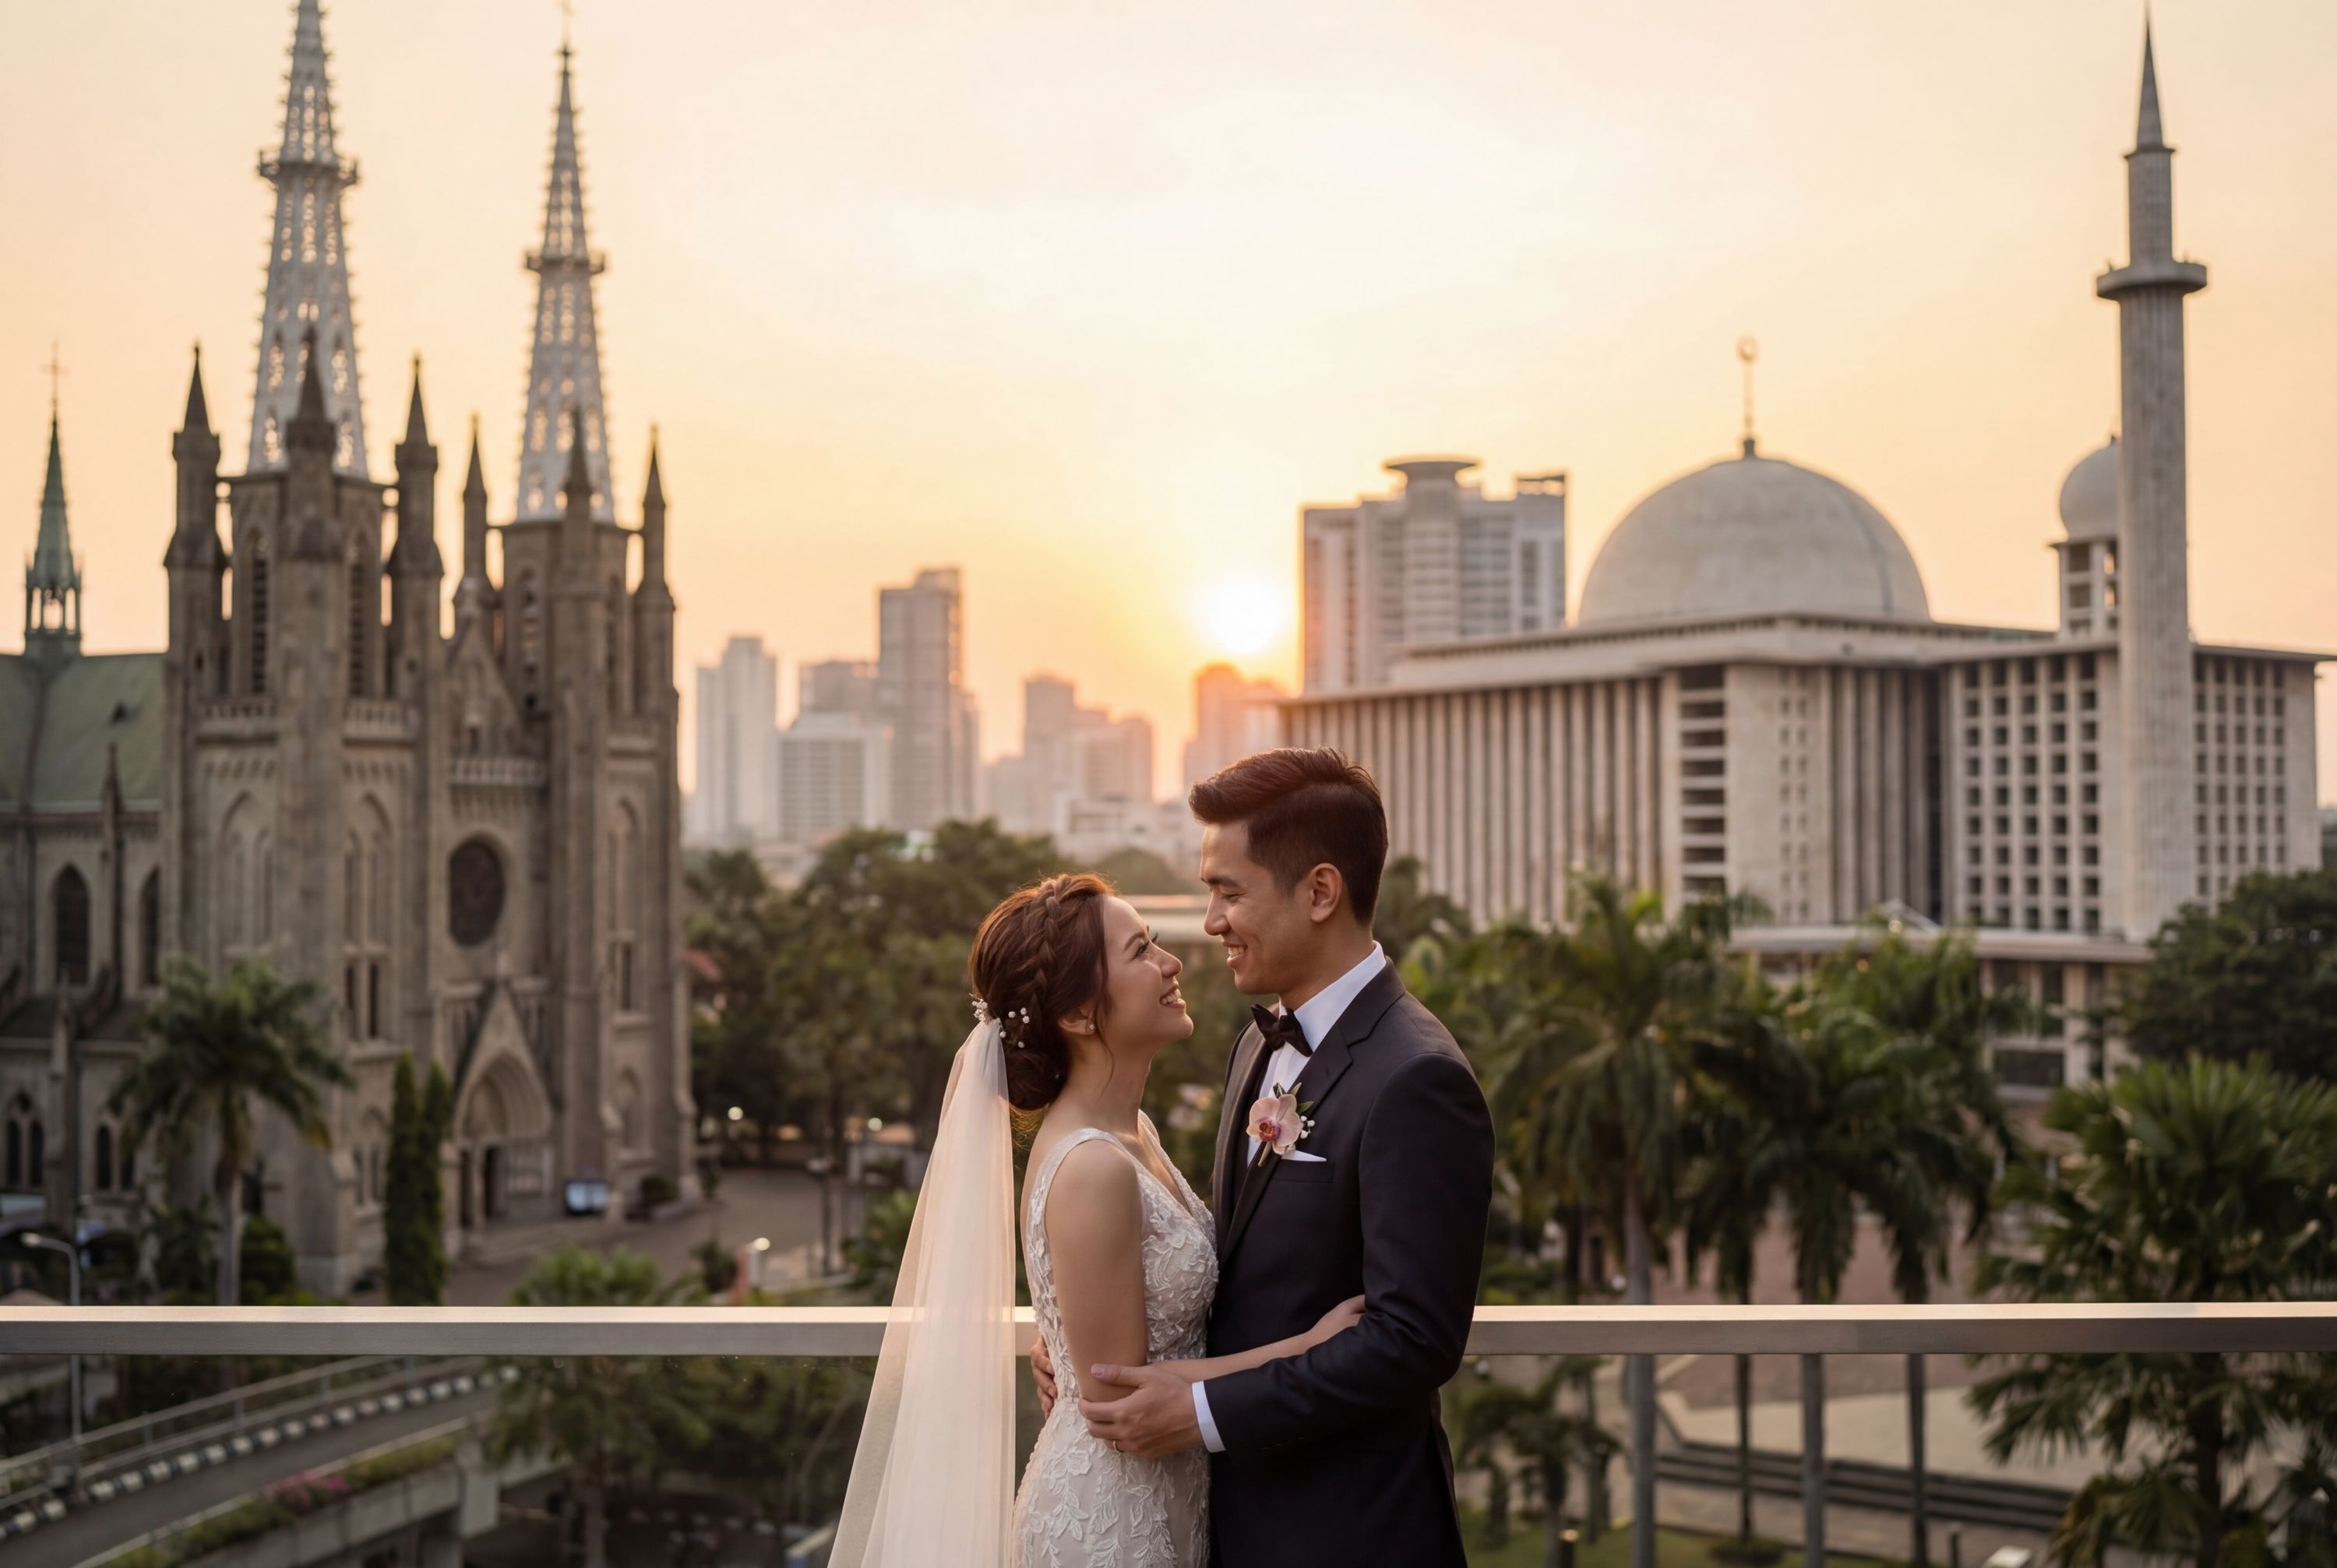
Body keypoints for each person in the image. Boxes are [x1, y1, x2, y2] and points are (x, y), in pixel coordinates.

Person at [1041, 747, 1496, 1567]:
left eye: (1228, 891)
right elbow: (1242, 1268)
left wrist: (1202, 1410)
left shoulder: (1417, 1077)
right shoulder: (1259, 1044)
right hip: (1224, 1515)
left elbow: (1414, 1339)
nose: (1211, 921)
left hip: (1348, 1529)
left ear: (1321, 891)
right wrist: (1089, 1342)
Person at [831, 869, 1365, 1567]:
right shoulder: (1093, 1164)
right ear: (1080, 1015)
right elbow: (1116, 1396)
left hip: (1168, 1490)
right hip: (1110, 1520)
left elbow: (1109, 1330)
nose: (1172, 962)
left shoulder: (1131, 1131)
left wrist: (1059, 1341)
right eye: (1142, 951)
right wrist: (1307, 1349)